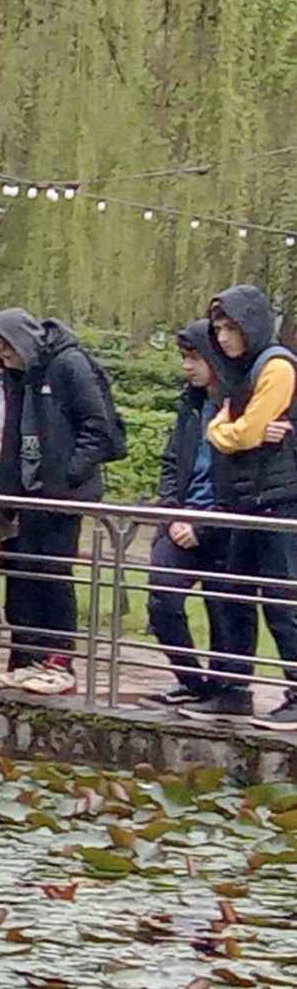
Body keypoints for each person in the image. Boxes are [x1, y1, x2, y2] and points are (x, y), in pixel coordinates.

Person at [0, 307, 118, 695]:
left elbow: (99, 428)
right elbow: (12, 434)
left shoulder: (69, 365)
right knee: (23, 574)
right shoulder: (16, 376)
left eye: (7, 351)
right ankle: (26, 657)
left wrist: (68, 474)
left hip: (61, 494)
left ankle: (59, 660)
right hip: (26, 493)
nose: (4, 360)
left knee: (53, 574)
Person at [194, 285, 297, 721]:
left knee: (281, 601)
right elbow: (245, 429)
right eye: (218, 329)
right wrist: (235, 431)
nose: (222, 337)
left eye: (230, 328)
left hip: (276, 499)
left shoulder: (276, 366)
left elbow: (246, 431)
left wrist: (221, 431)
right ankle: (233, 689)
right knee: (233, 596)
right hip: (245, 499)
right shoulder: (238, 372)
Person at [149, 320, 231, 709]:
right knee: (162, 600)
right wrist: (173, 513)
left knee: (225, 610)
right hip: (182, 516)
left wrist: (204, 525)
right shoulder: (191, 406)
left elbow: (244, 477)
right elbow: (172, 463)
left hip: (223, 524)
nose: (187, 366)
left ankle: (225, 689)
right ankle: (192, 680)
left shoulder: (240, 404)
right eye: (184, 357)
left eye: (195, 357)